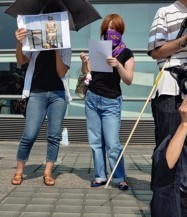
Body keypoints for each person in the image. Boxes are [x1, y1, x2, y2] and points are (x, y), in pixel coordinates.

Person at [146, 0, 187, 217]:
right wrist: (183, 42)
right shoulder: (165, 12)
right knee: (166, 150)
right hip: (170, 85)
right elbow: (155, 52)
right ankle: (160, 216)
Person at [10, 26, 72, 187]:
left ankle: (48, 172)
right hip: (37, 93)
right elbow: (21, 60)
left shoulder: (65, 45)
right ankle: (19, 170)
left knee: (54, 136)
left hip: (58, 94)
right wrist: (19, 43)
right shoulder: (35, 41)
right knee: (29, 134)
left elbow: (61, 72)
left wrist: (56, 49)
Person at [79, 14, 134, 191]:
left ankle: (119, 177)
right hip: (93, 98)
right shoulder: (99, 49)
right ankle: (100, 175)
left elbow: (129, 79)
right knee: (95, 141)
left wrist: (118, 65)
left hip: (111, 101)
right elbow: (88, 73)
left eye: (115, 28)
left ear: (120, 31)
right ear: (104, 29)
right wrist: (85, 62)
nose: (112, 31)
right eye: (109, 28)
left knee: (112, 143)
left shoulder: (126, 52)